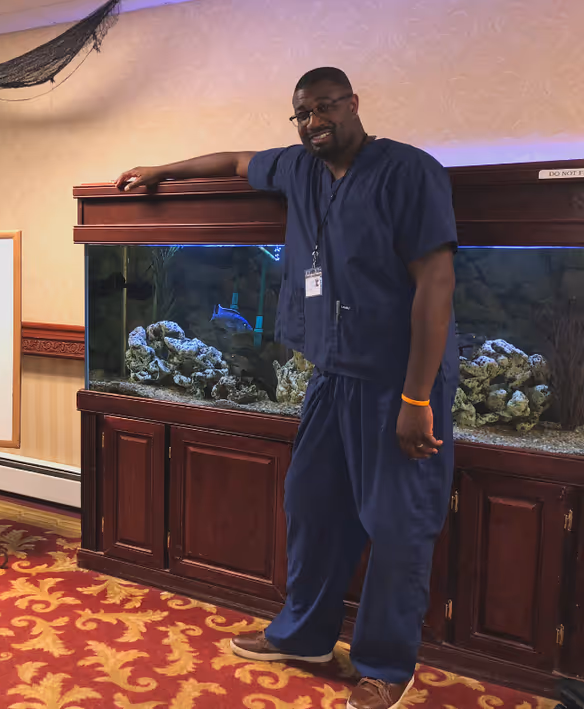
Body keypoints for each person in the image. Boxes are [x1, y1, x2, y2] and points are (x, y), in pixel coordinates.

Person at [116, 67, 458, 709]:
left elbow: (436, 283)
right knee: (312, 503)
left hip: (396, 381)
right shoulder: (299, 168)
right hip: (331, 376)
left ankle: (386, 665)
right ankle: (304, 635)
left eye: (325, 107)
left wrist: (417, 398)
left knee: (397, 526)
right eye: (302, 113)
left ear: (353, 103)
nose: (313, 122)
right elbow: (235, 161)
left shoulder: (409, 171)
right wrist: (163, 170)